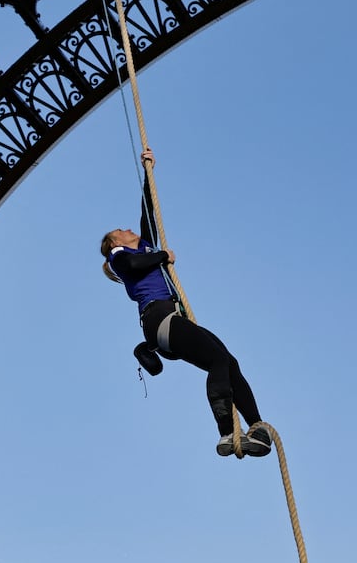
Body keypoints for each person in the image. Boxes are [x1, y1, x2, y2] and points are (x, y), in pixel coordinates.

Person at [99, 147, 271, 457]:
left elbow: (147, 211)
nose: (126, 229)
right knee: (218, 361)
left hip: (173, 320)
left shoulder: (144, 248)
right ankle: (225, 434)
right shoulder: (119, 258)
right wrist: (163, 256)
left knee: (228, 362)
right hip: (159, 320)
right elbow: (136, 267)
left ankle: (256, 427)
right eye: (119, 231)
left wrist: (148, 172)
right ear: (114, 243)